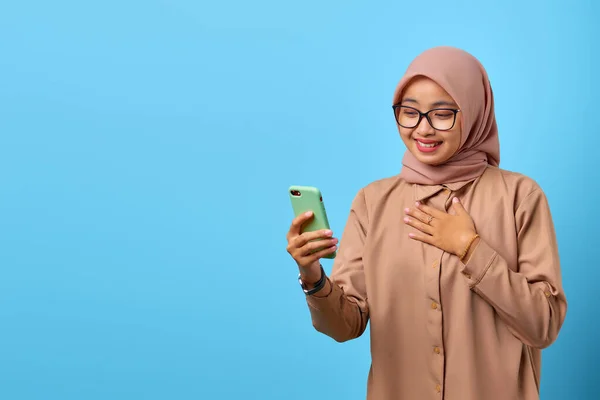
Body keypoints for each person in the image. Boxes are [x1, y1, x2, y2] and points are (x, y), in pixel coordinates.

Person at [285, 46, 567, 400]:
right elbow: (345, 325)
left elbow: (543, 325)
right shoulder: (373, 203)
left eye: (442, 113)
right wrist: (312, 276)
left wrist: (471, 249)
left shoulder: (520, 197)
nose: (423, 128)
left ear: (474, 110)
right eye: (410, 112)